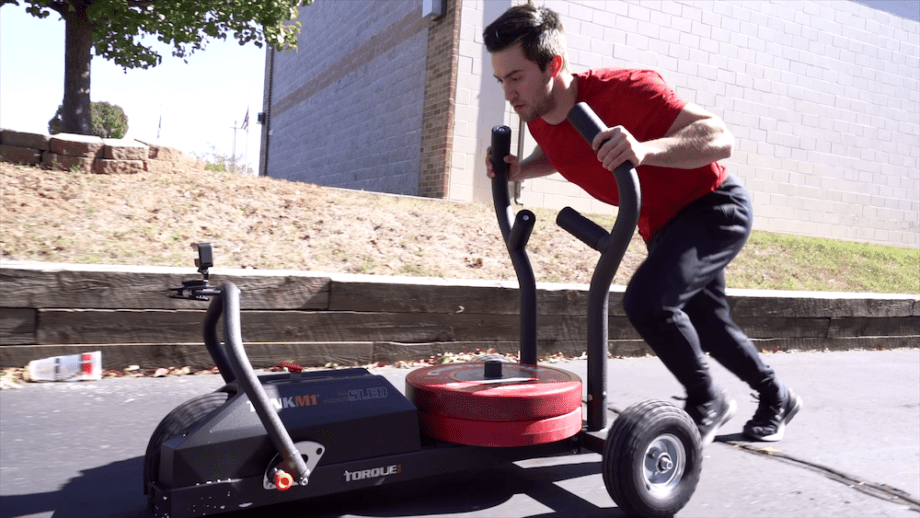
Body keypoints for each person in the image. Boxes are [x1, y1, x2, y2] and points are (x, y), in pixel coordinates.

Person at [483, 4, 801, 446]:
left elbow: (720, 137)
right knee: (708, 324)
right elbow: (561, 153)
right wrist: (522, 170)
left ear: (553, 65)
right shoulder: (542, 114)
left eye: (516, 78)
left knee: (649, 302)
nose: (508, 93)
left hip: (713, 207)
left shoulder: (628, 90)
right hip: (662, 224)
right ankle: (777, 397)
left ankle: (706, 400)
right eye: (501, 81)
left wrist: (645, 148)